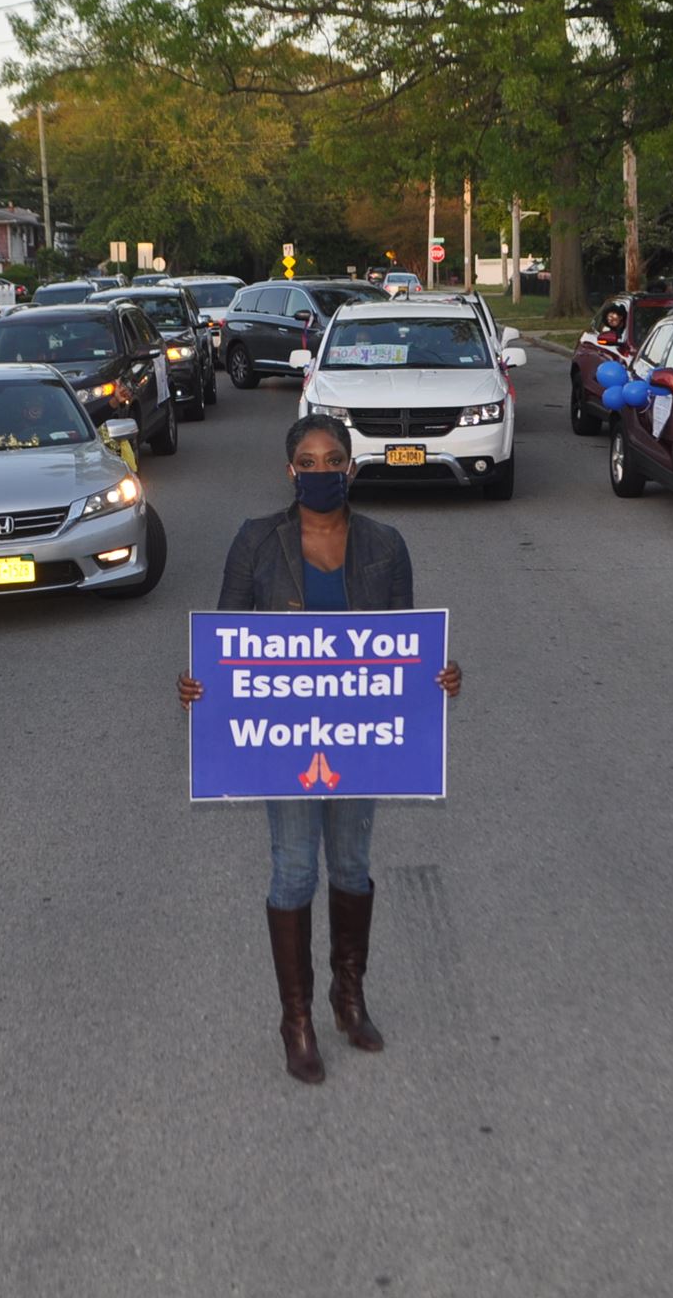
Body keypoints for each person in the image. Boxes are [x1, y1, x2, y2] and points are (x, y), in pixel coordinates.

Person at [175, 414, 463, 1085]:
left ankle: (348, 994)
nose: (322, 468)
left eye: (334, 458)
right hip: (285, 740)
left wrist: (440, 678)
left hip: (361, 739)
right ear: (290, 471)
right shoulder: (258, 542)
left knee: (354, 866)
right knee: (294, 870)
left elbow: (405, 650)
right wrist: (197, 685)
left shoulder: (386, 546)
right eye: (308, 459)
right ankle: (296, 1017)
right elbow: (224, 641)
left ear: (351, 469)